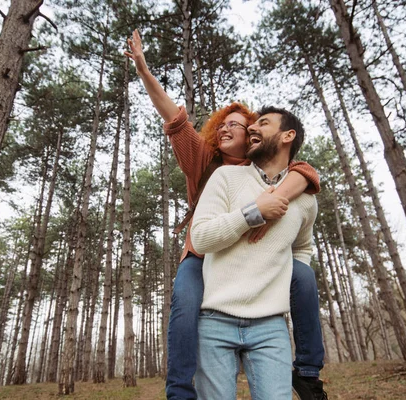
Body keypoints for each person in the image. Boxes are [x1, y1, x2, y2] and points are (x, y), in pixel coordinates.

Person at [125, 30, 325, 400]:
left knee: (302, 275)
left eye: (240, 123)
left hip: (250, 273)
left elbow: (307, 171)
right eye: (224, 123)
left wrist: (283, 193)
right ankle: (181, 391)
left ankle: (308, 371)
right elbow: (173, 115)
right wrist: (143, 69)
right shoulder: (207, 160)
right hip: (201, 255)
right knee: (185, 305)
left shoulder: (270, 169)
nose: (230, 127)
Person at [190, 107, 318, 399]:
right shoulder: (226, 177)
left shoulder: (306, 201)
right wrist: (252, 214)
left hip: (271, 327)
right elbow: (200, 238)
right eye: (251, 126)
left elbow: (302, 249)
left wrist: (280, 287)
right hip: (214, 321)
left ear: (288, 136)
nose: (251, 129)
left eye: (263, 123)